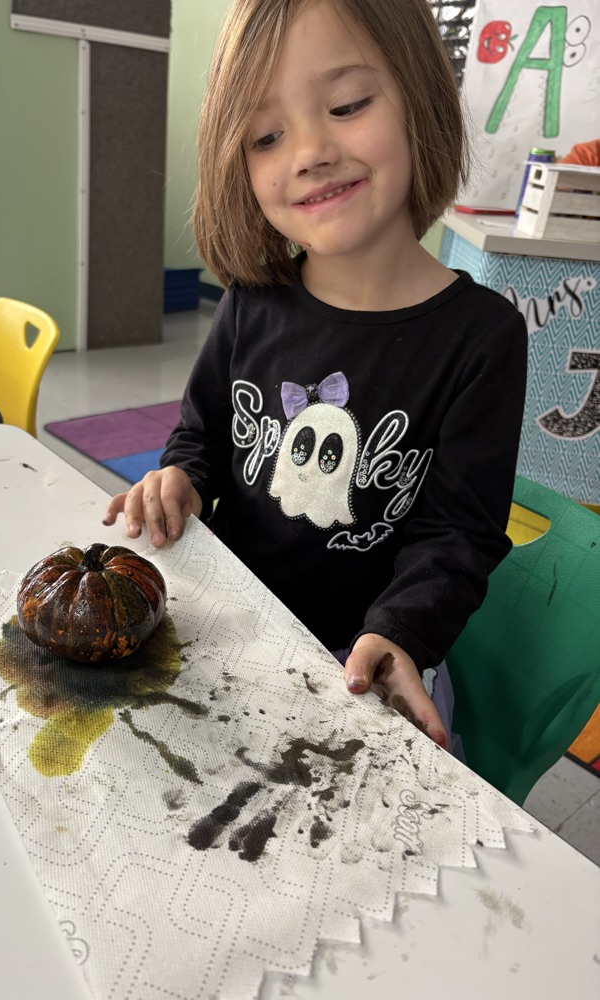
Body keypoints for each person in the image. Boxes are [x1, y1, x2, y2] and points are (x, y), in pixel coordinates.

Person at [104, 0, 527, 755]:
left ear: (419, 100)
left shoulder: (482, 336)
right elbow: (201, 434)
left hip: (361, 660)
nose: (309, 151)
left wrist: (401, 631)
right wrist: (179, 478)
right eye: (267, 136)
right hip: (224, 623)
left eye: (347, 104)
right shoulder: (251, 303)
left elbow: (457, 533)